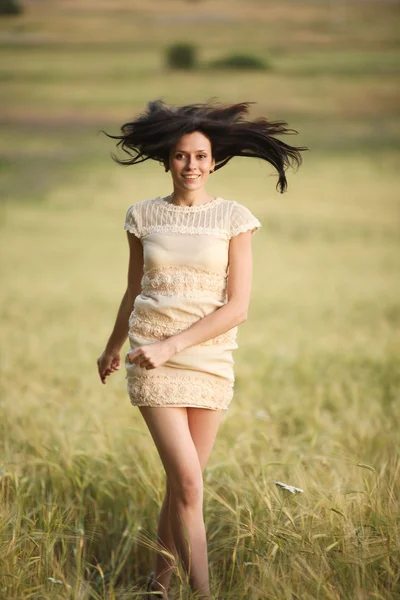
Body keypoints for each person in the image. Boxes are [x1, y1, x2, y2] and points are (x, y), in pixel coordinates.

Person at [97, 99, 307, 599]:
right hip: (151, 358)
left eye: (200, 156)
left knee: (181, 486)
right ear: (166, 160)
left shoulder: (235, 218)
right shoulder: (141, 215)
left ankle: (157, 587)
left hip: (209, 361)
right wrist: (114, 346)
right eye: (180, 156)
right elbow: (134, 289)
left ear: (215, 161)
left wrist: (176, 346)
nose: (190, 166)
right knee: (190, 485)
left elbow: (237, 308)